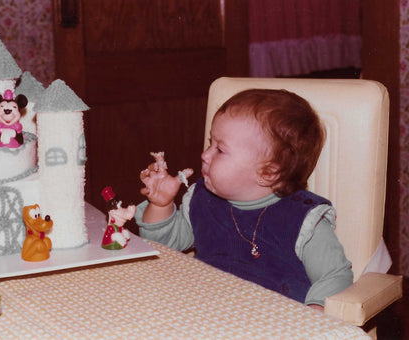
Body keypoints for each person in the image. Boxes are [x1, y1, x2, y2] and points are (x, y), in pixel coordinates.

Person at [135, 89, 353, 310]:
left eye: (219, 149)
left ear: (267, 173)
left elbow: (335, 275)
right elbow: (164, 248)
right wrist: (161, 205)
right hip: (200, 313)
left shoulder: (305, 222)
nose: (205, 154)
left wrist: (312, 317)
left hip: (271, 323)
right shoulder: (202, 198)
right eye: (210, 143)